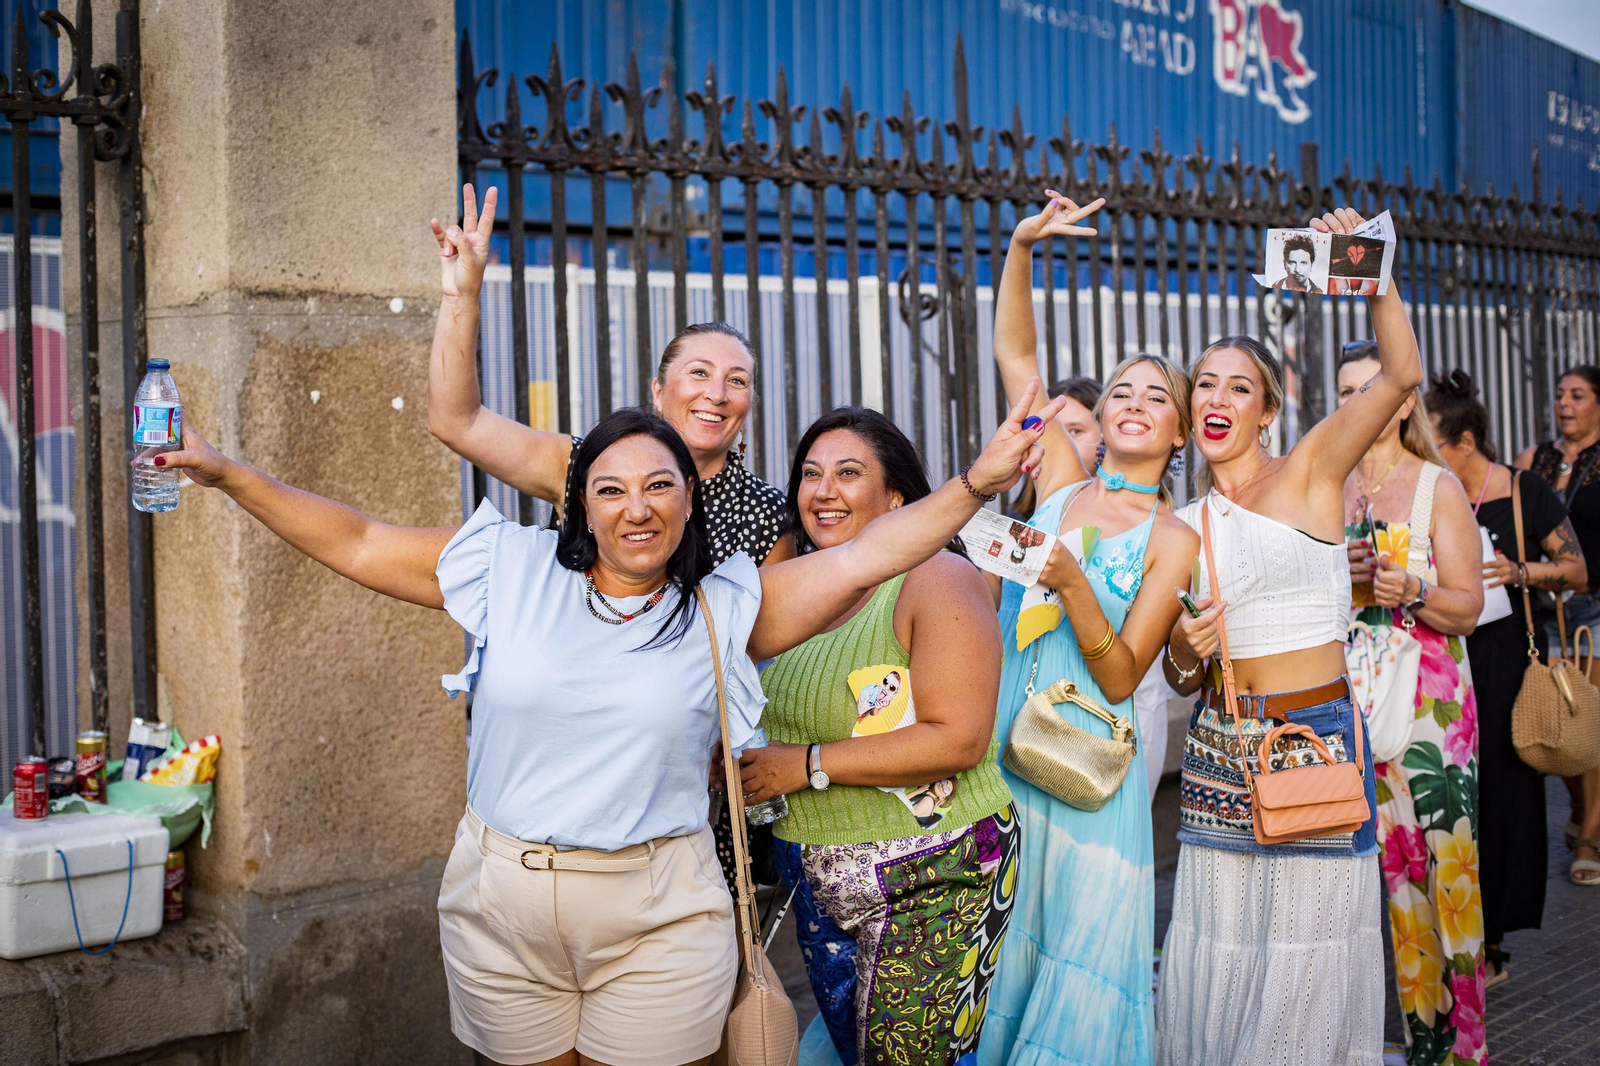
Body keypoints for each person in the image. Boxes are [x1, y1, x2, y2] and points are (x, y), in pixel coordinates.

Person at [157, 390, 1059, 1066]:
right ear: (581, 505)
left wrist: (975, 484)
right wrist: (227, 473)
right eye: (611, 489)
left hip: (659, 911)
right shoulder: (510, 569)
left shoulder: (725, 604)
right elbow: (357, 540)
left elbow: (870, 554)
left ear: (688, 500)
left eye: (660, 485)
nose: (638, 507)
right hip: (504, 904)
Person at [1157, 206, 1422, 1066]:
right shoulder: (1181, 525)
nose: (1217, 399)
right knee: (1224, 956)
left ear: (1268, 408)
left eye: (1238, 387)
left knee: (1304, 965)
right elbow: (1178, 670)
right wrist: (1186, 649)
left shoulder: (1310, 469)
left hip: (1314, 739)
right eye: (1205, 384)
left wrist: (1371, 267)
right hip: (1219, 750)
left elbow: (1401, 374)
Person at [978, 193, 1200, 1066]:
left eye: (1156, 396)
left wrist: (1072, 583)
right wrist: (1020, 247)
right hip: (1003, 751)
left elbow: (1122, 675)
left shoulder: (1173, 539)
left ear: (1180, 431)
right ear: (1100, 418)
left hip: (1089, 779)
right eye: (1120, 393)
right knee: (998, 954)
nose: (1134, 403)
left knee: (1073, 972)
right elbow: (1017, 358)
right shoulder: (1062, 484)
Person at [738, 407, 1020, 1065]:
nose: (822, 492)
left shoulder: (937, 576)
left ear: (897, 498)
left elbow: (958, 740)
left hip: (933, 868)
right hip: (817, 873)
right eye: (810, 474)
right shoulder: (803, 589)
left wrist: (806, 763)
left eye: (847, 474)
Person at [1337, 342, 1486, 1062]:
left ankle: (1462, 1054)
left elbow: (1469, 607)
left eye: (1369, 389)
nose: (1355, 403)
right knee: (1384, 882)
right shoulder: (1326, 486)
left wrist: (1414, 590)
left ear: (1402, 402)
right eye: (1344, 392)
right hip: (1351, 705)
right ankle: (1410, 1043)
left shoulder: (1436, 487)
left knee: (1445, 875)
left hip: (1433, 715)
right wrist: (1339, 576)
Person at [1431, 369, 1586, 988]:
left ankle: (1490, 939)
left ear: (1466, 442)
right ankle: (1447, 932)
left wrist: (1517, 571)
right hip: (1444, 654)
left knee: (1502, 795)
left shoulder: (1524, 491)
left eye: (1436, 444)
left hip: (1508, 657)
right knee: (1450, 794)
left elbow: (1576, 569)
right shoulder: (1429, 496)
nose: (1425, 456)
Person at [1514, 364, 1600, 888]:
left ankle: (1589, 834)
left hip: (1594, 605)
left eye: (1578, 395)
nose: (1565, 404)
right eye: (1561, 394)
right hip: (1543, 609)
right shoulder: (1533, 460)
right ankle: (1583, 807)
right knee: (1556, 718)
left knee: (1586, 716)